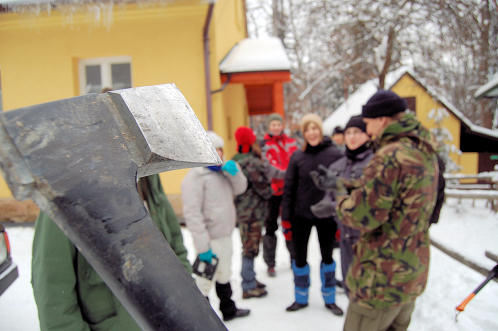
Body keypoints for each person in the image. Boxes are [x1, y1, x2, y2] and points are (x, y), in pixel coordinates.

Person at [335, 90, 439, 331]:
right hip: (410, 273)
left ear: (382, 119)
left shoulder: (390, 155)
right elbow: (401, 196)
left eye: (368, 123)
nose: (368, 130)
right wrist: (355, 186)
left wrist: (340, 198)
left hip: (380, 280)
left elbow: (364, 216)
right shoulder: (424, 151)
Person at [31, 174, 191, 331]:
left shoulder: (148, 176)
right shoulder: (64, 184)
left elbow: (175, 243)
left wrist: (185, 296)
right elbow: (52, 292)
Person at [181, 131, 250, 321]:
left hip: (226, 234)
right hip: (209, 239)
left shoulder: (224, 172)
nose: (218, 154)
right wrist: (203, 247)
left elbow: (241, 188)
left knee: (224, 273)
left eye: (220, 150)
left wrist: (234, 174)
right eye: (213, 150)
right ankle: (203, 319)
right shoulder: (196, 176)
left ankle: (228, 309)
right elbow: (192, 214)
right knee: (204, 281)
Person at [282, 113, 344, 316]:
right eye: (307, 129)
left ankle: (330, 298)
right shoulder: (297, 157)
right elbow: (289, 189)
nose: (311, 132)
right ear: (304, 133)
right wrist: (286, 219)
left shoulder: (335, 154)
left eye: (314, 128)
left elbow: (342, 188)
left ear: (320, 130)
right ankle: (300, 297)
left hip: (327, 216)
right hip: (301, 216)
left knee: (327, 257)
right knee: (299, 258)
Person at [322, 115, 373, 295]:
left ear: (367, 135)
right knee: (349, 283)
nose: (352, 137)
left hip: (370, 238)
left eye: (357, 132)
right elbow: (329, 196)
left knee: (369, 288)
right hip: (345, 235)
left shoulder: (375, 163)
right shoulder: (337, 165)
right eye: (348, 132)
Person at [232, 126, 273, 299]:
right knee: (250, 248)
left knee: (249, 246)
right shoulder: (252, 162)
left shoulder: (235, 160)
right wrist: (271, 192)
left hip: (242, 212)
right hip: (253, 214)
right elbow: (264, 188)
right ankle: (248, 286)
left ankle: (251, 279)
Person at [261, 113, 298, 277]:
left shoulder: (291, 143)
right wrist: (289, 174)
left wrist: (292, 177)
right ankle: (270, 263)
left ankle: (294, 258)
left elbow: (297, 161)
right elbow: (268, 168)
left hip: (290, 191)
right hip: (272, 192)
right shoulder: (264, 145)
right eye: (273, 124)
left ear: (282, 126)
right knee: (270, 227)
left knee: (290, 224)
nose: (276, 127)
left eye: (278, 124)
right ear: (269, 127)